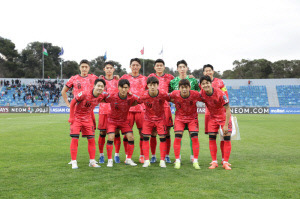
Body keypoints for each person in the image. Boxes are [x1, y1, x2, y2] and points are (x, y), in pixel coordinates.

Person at [61, 59, 99, 164]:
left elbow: (103, 82)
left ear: (89, 68)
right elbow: (63, 91)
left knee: (91, 137)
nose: (84, 69)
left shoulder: (94, 78)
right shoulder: (74, 78)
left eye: (86, 67)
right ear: (79, 67)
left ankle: (92, 160)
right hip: (77, 112)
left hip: (88, 112)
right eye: (82, 67)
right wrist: (68, 104)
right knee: (75, 137)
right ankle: (73, 159)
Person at [68, 79, 108, 169]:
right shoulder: (84, 93)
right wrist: (71, 117)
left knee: (91, 140)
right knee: (75, 139)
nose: (100, 88)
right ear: (94, 86)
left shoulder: (102, 96)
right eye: (98, 85)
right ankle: (74, 162)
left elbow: (113, 96)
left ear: (104, 88)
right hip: (77, 118)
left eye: (102, 86)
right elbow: (73, 103)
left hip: (87, 119)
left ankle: (92, 161)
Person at [102, 79, 139, 167]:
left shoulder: (131, 97)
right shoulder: (112, 96)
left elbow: (140, 99)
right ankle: (110, 160)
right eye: (121, 87)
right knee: (111, 137)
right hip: (112, 121)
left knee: (131, 137)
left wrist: (133, 94)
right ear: (118, 87)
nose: (123, 90)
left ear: (128, 88)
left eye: (125, 87)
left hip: (124, 121)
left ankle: (129, 159)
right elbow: (101, 98)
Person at [169, 60, 200, 163]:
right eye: (180, 67)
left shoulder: (193, 81)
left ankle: (193, 156)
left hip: (192, 114)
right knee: (178, 135)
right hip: (179, 114)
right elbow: (170, 95)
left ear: (187, 68)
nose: (182, 69)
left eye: (184, 67)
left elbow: (199, 93)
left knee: (193, 136)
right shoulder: (173, 81)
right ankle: (179, 157)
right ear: (177, 69)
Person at [199, 76, 232, 170]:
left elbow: (228, 109)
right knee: (212, 138)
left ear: (211, 83)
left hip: (223, 117)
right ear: (201, 86)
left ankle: (225, 162)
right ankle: (214, 162)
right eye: (203, 84)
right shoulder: (201, 94)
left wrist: (226, 125)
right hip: (212, 118)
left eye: (207, 83)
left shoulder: (220, 93)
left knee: (226, 138)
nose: (205, 85)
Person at [138, 76, 170, 168]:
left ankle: (162, 160)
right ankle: (147, 160)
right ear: (147, 85)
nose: (152, 87)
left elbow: (170, 99)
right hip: (148, 119)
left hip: (161, 119)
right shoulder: (144, 95)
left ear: (157, 85)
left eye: (154, 85)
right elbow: (137, 101)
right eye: (150, 85)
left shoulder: (163, 94)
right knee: (145, 138)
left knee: (163, 138)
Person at [120, 58, 147, 163]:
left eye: (137, 65)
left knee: (142, 134)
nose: (135, 67)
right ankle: (127, 156)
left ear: (140, 66)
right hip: (127, 110)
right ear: (130, 66)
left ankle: (142, 155)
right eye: (133, 65)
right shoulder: (125, 77)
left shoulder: (144, 78)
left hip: (141, 110)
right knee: (127, 134)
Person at [147, 59, 174, 163]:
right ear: (154, 67)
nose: (159, 67)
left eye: (161, 65)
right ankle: (153, 155)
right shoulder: (150, 77)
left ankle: (167, 155)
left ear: (164, 67)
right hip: (153, 109)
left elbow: (176, 87)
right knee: (153, 132)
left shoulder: (169, 77)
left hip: (166, 108)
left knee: (167, 132)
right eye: (157, 65)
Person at [97, 61, 120, 164]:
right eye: (107, 68)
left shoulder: (117, 81)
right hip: (103, 111)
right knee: (102, 133)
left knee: (116, 133)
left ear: (113, 70)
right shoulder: (100, 81)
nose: (109, 69)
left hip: (115, 111)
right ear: (104, 69)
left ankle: (117, 155)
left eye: (111, 68)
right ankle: (101, 155)